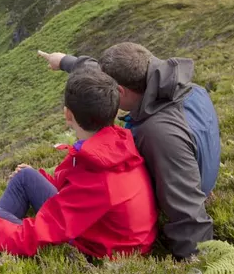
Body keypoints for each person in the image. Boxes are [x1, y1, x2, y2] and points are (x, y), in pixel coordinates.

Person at [37, 42, 220, 259]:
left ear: (120, 91)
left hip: (158, 205)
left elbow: (187, 211)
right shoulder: (189, 89)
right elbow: (103, 76)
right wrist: (66, 61)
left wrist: (200, 271)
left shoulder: (159, 134)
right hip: (196, 175)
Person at [0, 68, 158, 258]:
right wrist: (44, 179)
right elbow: (80, 188)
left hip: (98, 252)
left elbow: (30, 238)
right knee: (25, 177)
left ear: (67, 114)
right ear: (113, 111)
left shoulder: (98, 177)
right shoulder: (117, 143)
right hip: (110, 235)